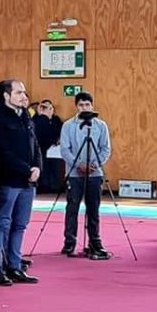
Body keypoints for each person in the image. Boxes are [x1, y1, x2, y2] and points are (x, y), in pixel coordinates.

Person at [0, 79, 41, 286]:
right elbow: (3, 151)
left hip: (28, 182)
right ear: (6, 96)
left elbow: (35, 144)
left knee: (20, 225)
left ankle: (15, 266)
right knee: (2, 223)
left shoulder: (26, 116)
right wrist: (26, 170)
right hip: (9, 179)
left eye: (24, 93)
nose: (24, 96)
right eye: (18, 93)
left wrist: (37, 167)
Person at [59, 92, 112, 259]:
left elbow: (105, 148)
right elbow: (64, 149)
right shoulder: (67, 125)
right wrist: (79, 164)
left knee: (93, 209)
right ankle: (69, 243)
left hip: (95, 173)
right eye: (81, 105)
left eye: (87, 105)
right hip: (74, 173)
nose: (85, 108)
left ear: (92, 105)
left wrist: (94, 165)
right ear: (76, 106)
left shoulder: (101, 125)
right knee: (72, 208)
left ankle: (95, 242)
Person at [33, 99, 64, 193]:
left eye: (50, 107)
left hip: (52, 148)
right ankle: (42, 185)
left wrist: (57, 140)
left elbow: (59, 132)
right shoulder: (38, 119)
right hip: (41, 147)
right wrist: (39, 114)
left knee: (53, 167)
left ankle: (53, 185)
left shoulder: (56, 120)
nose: (50, 110)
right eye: (45, 107)